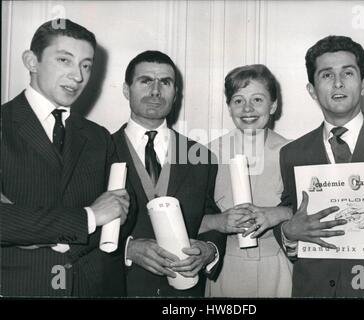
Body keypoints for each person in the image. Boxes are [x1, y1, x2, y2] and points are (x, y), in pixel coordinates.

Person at [272, 35, 364, 297]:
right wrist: (287, 233)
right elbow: (290, 214)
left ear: (363, 85)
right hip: (314, 290)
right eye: (326, 75)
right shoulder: (292, 154)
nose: (338, 83)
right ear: (312, 90)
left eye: (347, 73)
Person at [0, 19, 130, 297]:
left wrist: (34, 232)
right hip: (18, 287)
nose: (79, 76)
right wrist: (89, 217)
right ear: (31, 61)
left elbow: (121, 213)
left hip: (91, 286)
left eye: (86, 65)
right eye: (64, 60)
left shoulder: (98, 137)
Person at [112, 50, 226, 297]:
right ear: (125, 89)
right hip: (120, 287)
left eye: (165, 82)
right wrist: (127, 250)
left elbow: (212, 219)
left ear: (175, 94)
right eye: (145, 81)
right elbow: (81, 223)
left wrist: (209, 251)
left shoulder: (201, 157)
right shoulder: (99, 151)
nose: (155, 91)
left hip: (183, 296)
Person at [200, 64, 293, 297]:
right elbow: (191, 217)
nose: (247, 108)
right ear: (229, 107)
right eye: (238, 100)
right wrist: (218, 221)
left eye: (258, 100)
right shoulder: (207, 155)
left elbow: (309, 210)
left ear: (273, 105)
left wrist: (277, 214)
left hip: (279, 268)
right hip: (226, 269)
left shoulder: (293, 152)